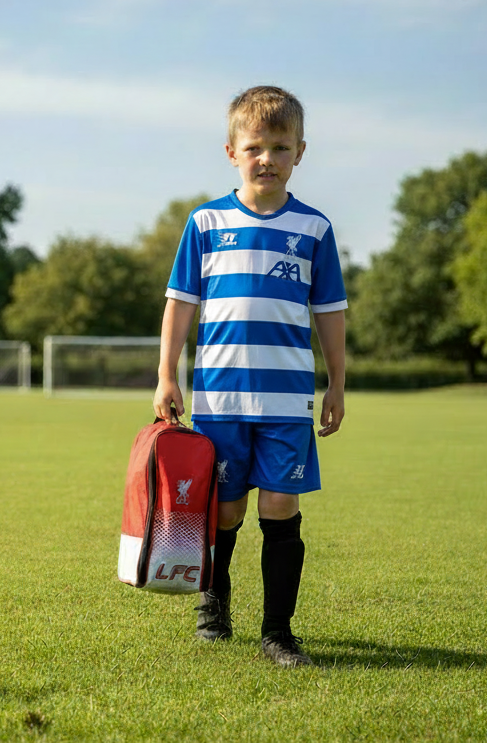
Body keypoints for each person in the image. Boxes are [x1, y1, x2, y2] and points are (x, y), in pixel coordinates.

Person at [154, 85, 347, 668]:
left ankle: (278, 634)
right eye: (256, 146)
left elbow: (330, 312)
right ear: (232, 151)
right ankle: (214, 610)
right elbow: (180, 303)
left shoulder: (314, 230)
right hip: (220, 400)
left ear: (300, 153)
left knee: (281, 508)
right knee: (229, 510)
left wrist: (337, 381)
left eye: (280, 147)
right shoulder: (206, 223)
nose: (268, 157)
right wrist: (167, 374)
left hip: (287, 402)